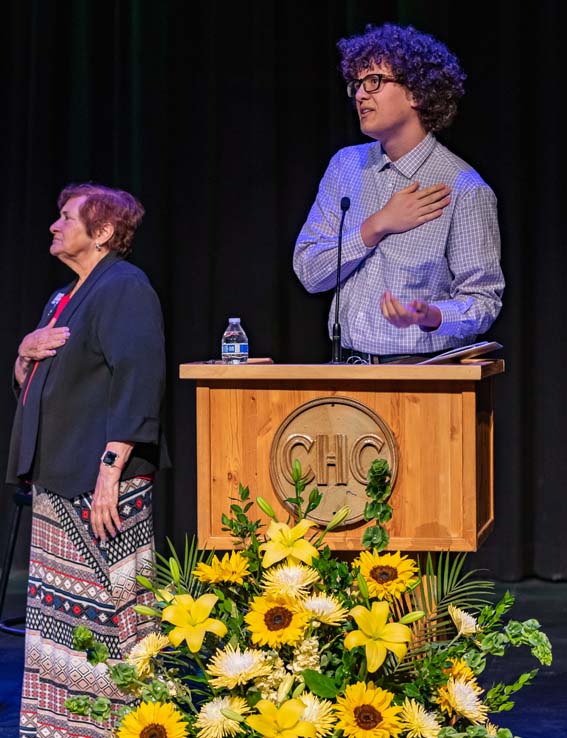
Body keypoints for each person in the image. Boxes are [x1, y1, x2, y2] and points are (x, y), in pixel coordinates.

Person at [6, 183, 169, 738]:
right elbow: (40, 386)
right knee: (62, 615)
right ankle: (63, 725)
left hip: (102, 480)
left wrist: (109, 472)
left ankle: (133, 722)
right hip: (58, 477)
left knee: (118, 606)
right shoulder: (63, 297)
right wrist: (24, 355)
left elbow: (139, 379)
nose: (54, 226)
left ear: (102, 232)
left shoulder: (124, 287)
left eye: (67, 218)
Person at [294, 23, 505, 363]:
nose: (361, 95)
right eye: (357, 85)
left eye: (374, 81)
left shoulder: (463, 188)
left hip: (418, 375)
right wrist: (376, 226)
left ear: (417, 92)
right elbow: (309, 272)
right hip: (347, 367)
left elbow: (482, 301)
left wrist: (430, 316)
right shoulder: (345, 166)